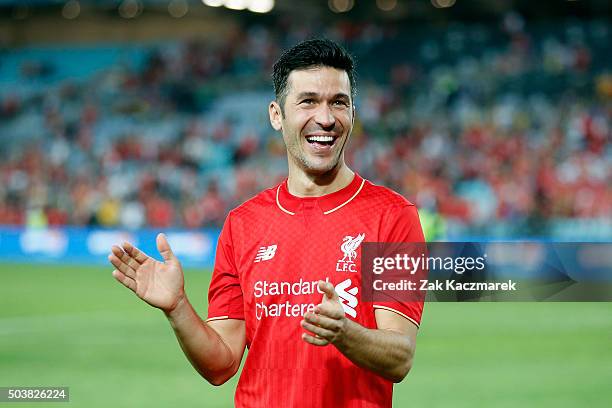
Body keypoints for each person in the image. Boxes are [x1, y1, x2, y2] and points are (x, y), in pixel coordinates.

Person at [108, 38, 425, 408]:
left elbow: (400, 356)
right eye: (308, 101)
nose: (325, 118)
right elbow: (220, 364)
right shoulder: (243, 223)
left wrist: (345, 333)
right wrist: (178, 308)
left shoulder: (392, 216)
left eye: (339, 102)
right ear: (277, 114)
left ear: (353, 113)